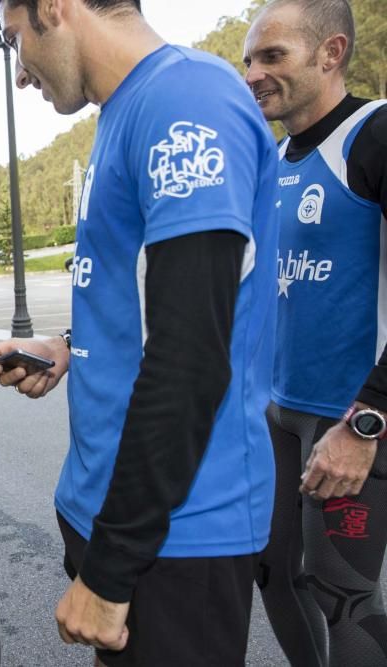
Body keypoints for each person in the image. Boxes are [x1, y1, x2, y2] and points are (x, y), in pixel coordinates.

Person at [0, 1, 279, 665]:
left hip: (176, 533)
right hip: (115, 511)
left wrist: (112, 568)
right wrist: (67, 347)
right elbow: (147, 300)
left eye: (14, 38)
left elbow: (190, 357)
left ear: (54, 9)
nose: (21, 72)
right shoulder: (125, 111)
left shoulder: (187, 97)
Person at [243, 2, 387, 664]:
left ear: (330, 53)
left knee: (344, 597)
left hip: (349, 420)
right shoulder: (271, 159)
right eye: (248, 59)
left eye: (272, 57)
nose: (253, 74)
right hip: (276, 415)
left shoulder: (373, 133)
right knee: (271, 571)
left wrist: (367, 423)